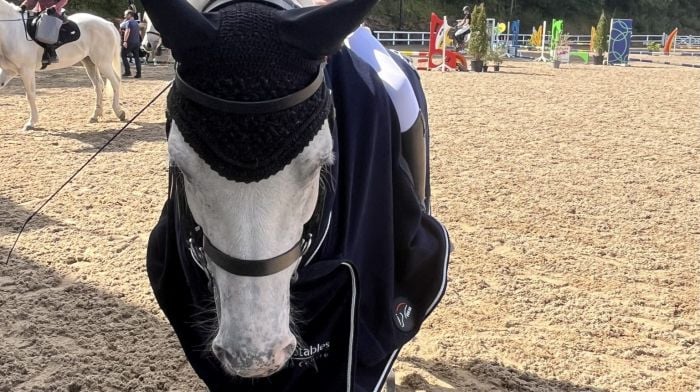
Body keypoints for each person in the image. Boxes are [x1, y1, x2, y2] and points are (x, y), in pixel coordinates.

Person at [21, 0, 69, 64]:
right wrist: (24, 4)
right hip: (39, 10)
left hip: (53, 11)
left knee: (47, 23)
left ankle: (51, 52)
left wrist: (54, 7)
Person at [120, 10, 141, 78]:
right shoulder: (136, 23)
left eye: (125, 15)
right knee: (137, 58)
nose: (124, 16)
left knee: (123, 55)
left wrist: (125, 41)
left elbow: (127, 31)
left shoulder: (129, 22)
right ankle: (139, 73)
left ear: (129, 15)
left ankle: (128, 71)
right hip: (137, 42)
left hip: (130, 42)